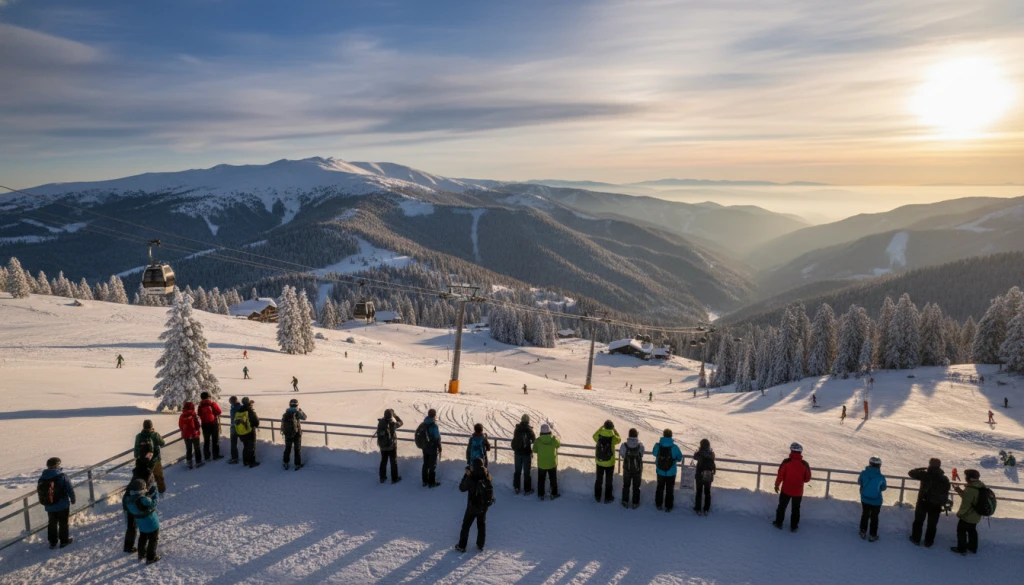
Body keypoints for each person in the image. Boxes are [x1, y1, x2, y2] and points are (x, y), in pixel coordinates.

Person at [908, 458, 950, 547]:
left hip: (923, 502)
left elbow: (911, 473)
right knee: (932, 524)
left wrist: (921, 468)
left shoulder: (925, 474)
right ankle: (929, 542)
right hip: (936, 505)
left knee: (918, 521)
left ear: (930, 464)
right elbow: (946, 491)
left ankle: (916, 539)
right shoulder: (944, 478)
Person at [455, 458, 494, 553]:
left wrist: (466, 475)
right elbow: (490, 480)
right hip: (484, 505)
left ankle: (462, 546)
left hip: (472, 506)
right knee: (481, 524)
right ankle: (480, 544)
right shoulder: (487, 475)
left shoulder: (471, 478)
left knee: (466, 525)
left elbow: (462, 488)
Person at [38, 457, 76, 549]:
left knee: (52, 523)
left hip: (49, 505)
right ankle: (64, 541)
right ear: (57, 466)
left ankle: (52, 542)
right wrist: (73, 498)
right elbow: (69, 489)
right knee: (63, 523)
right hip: (62, 505)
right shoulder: (62, 476)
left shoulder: (42, 477)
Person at [773, 442, 811, 532]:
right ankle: (794, 527)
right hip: (798, 491)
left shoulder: (786, 462)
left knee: (782, 507)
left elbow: (780, 475)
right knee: (796, 509)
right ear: (800, 452)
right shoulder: (804, 464)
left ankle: (778, 523)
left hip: (786, 490)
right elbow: (807, 478)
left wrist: (777, 485)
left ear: (791, 450)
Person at [124, 478, 160, 564]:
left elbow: (139, 503)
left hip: (141, 524)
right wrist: (155, 493)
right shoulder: (144, 500)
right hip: (152, 523)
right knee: (153, 539)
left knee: (143, 538)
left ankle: (141, 554)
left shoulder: (129, 501)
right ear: (141, 489)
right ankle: (151, 557)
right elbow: (153, 503)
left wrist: (146, 495)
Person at [951, 469, 985, 555]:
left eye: (966, 476)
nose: (965, 478)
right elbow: (968, 497)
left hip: (968, 515)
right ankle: (973, 548)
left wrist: (960, 514)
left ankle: (962, 549)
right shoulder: (980, 485)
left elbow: (966, 503)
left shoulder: (971, 489)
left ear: (970, 478)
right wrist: (958, 490)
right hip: (977, 514)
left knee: (961, 530)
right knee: (972, 530)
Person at [652, 429, 683, 511]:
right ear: (671, 436)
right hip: (671, 472)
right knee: (670, 489)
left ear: (663, 435)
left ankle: (658, 504)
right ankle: (668, 506)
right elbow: (680, 458)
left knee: (660, 487)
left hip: (660, 471)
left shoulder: (658, 445)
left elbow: (654, 453)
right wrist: (674, 459)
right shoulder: (674, 447)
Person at [857, 456, 887, 541]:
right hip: (876, 500)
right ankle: (872, 535)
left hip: (865, 498)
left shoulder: (863, 473)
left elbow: (859, 482)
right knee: (874, 517)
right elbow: (884, 488)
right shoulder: (881, 477)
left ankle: (863, 531)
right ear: (879, 465)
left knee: (865, 515)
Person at [134, 420, 167, 493]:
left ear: (143, 426)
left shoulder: (139, 436)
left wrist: (137, 457)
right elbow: (162, 443)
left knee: (145, 478)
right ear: (151, 426)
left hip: (143, 461)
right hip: (155, 460)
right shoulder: (155, 435)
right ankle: (161, 490)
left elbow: (136, 448)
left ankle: (145, 492)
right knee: (159, 476)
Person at [593, 420, 621, 503]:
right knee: (609, 481)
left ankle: (597, 496)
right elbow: (619, 439)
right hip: (610, 462)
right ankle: (608, 497)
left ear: (604, 426)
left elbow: (594, 436)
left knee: (599, 480)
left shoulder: (599, 435)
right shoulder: (613, 437)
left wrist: (601, 428)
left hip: (600, 461)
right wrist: (614, 430)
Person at [374, 409, 404, 483]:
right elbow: (401, 422)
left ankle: (382, 477)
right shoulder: (393, 424)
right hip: (391, 446)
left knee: (383, 461)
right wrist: (395, 415)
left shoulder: (381, 423)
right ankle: (394, 478)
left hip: (383, 447)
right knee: (393, 462)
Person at [533, 423, 561, 500]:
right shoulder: (553, 439)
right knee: (553, 479)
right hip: (552, 464)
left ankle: (541, 494)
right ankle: (554, 494)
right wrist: (555, 437)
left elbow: (534, 450)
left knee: (541, 480)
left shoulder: (538, 440)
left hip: (542, 464)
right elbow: (558, 445)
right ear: (549, 431)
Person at [619, 428, 645, 509]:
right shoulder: (640, 445)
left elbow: (622, 455)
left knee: (626, 485)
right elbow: (642, 454)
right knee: (636, 486)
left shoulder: (624, 445)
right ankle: (635, 502)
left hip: (627, 469)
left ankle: (625, 501)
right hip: (637, 470)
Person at [512, 414, 536, 495]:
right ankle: (527, 490)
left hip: (517, 453)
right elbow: (534, 440)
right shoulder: (529, 430)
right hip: (526, 453)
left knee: (517, 471)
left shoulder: (517, 428)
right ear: (528, 421)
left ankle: (517, 488)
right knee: (526, 472)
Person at [418, 409, 442, 487]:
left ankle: (424, 481)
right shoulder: (434, 425)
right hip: (432, 447)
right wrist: (439, 446)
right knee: (432, 465)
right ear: (434, 415)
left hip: (425, 447)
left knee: (425, 464)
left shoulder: (423, 424)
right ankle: (431, 482)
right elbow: (437, 437)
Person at [235, 397, 261, 468]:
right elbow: (256, 422)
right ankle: (252, 462)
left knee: (245, 446)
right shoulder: (250, 410)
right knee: (251, 446)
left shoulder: (239, 410)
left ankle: (245, 461)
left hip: (242, 431)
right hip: (250, 431)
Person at [281, 398, 307, 470]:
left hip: (288, 433)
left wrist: (284, 431)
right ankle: (297, 464)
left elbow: (283, 423)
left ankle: (286, 462)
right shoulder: (297, 413)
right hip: (297, 433)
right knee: (297, 449)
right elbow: (305, 417)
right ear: (297, 405)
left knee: (287, 448)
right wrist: (300, 411)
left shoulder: (286, 414)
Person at [197, 392, 223, 462]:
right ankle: (215, 455)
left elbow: (199, 414)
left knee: (206, 441)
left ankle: (207, 457)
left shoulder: (200, 406)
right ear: (208, 397)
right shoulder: (212, 404)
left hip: (204, 425)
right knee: (215, 440)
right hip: (213, 424)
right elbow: (219, 412)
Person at [178, 402, 204, 469]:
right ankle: (198, 462)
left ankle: (189, 463)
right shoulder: (194, 414)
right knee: (197, 448)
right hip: (194, 434)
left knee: (188, 449)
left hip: (186, 435)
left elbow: (180, 426)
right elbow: (198, 425)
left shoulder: (182, 415)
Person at [693, 438, 716, 515]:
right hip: (708, 476)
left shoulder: (699, 453)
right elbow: (713, 459)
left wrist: (697, 450)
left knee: (699, 492)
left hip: (699, 476)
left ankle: (698, 508)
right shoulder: (711, 453)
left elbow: (694, 457)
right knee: (707, 492)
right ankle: (706, 509)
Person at [227, 396, 241, 464]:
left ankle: (234, 458)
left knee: (233, 444)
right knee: (246, 443)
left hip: (234, 428)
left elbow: (233, 418)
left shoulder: (233, 409)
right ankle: (247, 458)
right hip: (242, 427)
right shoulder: (241, 407)